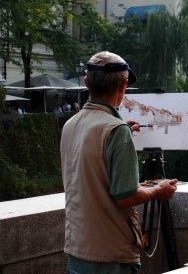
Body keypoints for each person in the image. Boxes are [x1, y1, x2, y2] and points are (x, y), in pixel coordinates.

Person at [60, 51, 177, 274]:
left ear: (86, 83)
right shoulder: (116, 131)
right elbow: (126, 195)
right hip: (111, 253)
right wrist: (157, 191)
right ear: (123, 86)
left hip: (78, 249)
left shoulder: (70, 125)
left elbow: (93, 165)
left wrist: (122, 132)